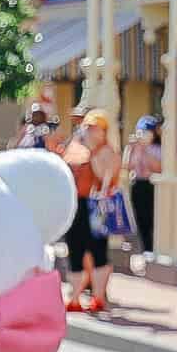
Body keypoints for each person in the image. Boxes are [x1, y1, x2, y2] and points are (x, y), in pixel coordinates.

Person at [61, 110, 121, 314]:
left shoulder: (107, 152)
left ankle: (98, 296)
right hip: (76, 205)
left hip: (96, 207)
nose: (88, 130)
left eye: (93, 127)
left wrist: (91, 151)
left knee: (98, 252)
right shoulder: (75, 147)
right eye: (87, 126)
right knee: (75, 251)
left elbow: (105, 177)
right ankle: (75, 297)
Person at [123, 114, 164, 254]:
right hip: (137, 184)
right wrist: (131, 149)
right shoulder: (134, 148)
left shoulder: (157, 149)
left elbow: (158, 167)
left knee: (152, 219)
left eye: (147, 132)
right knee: (140, 220)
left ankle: (153, 249)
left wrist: (145, 150)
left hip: (152, 185)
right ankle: (145, 250)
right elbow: (127, 166)